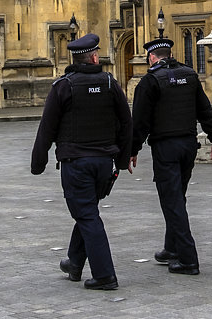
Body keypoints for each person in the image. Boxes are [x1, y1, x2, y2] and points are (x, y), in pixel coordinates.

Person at [31, 33, 133, 291]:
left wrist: (38, 162)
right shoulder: (110, 83)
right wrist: (122, 159)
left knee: (87, 215)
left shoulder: (63, 86)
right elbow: (126, 122)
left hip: (76, 163)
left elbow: (47, 128)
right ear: (95, 57)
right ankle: (74, 263)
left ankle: (105, 275)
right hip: (104, 163)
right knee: (87, 210)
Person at [130, 37, 212, 276]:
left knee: (172, 201)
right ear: (169, 54)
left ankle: (188, 258)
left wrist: (132, 150)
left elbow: (140, 122)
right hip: (188, 145)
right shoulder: (190, 75)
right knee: (177, 196)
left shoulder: (150, 81)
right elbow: (205, 110)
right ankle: (171, 248)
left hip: (166, 147)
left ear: (152, 57)